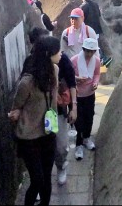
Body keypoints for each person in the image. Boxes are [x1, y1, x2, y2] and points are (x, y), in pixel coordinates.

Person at [8, 35, 60, 206]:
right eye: (57, 51)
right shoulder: (27, 83)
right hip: (29, 138)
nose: (60, 54)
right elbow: (16, 107)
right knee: (37, 181)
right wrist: (15, 115)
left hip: (48, 133)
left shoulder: (55, 71)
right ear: (47, 54)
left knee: (46, 180)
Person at [70, 37, 101, 161]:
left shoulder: (97, 61)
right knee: (78, 121)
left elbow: (97, 74)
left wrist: (95, 83)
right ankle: (78, 144)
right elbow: (69, 76)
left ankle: (86, 138)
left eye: (92, 51)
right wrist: (77, 79)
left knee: (89, 117)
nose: (89, 54)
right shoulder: (74, 60)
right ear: (83, 49)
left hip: (89, 94)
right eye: (87, 51)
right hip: (77, 95)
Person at [53, 49, 77, 186]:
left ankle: (61, 166)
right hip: (41, 112)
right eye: (56, 53)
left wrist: (74, 107)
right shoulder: (34, 63)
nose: (60, 54)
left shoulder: (64, 61)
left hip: (59, 111)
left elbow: (72, 83)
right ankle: (38, 182)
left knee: (61, 145)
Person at [79, 0, 112, 67]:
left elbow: (80, 21)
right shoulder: (95, 4)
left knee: (94, 46)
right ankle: (103, 59)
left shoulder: (82, 7)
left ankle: (103, 59)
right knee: (96, 45)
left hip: (89, 30)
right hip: (97, 29)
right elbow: (99, 17)